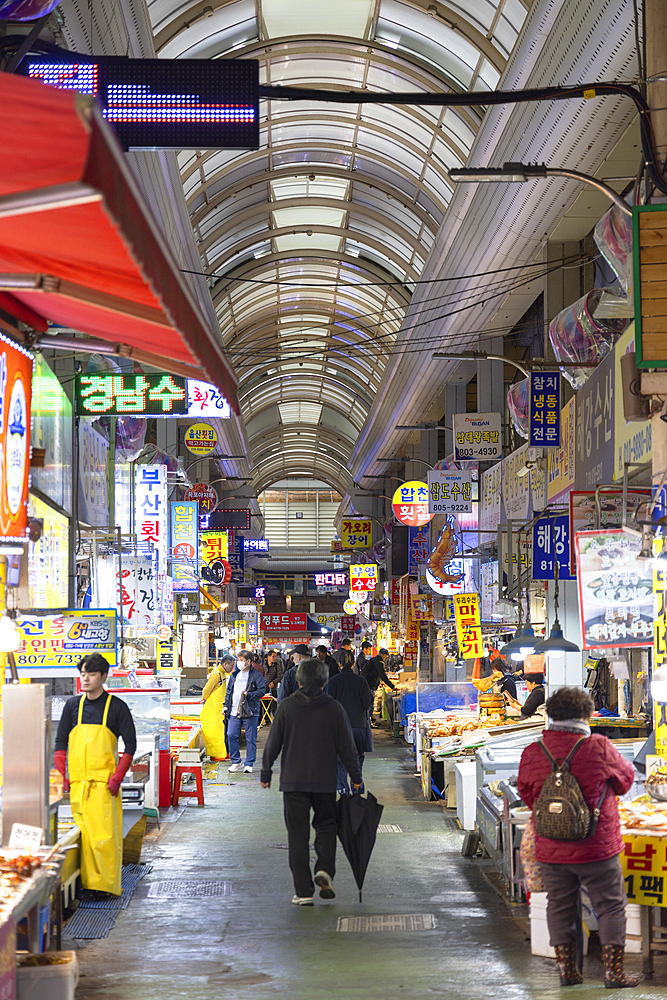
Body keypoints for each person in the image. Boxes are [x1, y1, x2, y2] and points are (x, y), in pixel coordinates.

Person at [518, 687, 637, 989]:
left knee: (559, 906)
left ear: (551, 715)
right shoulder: (598, 746)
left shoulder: (534, 751)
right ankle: (614, 973)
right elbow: (625, 781)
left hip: (551, 848)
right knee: (610, 906)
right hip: (597, 846)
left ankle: (567, 971)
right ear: (586, 715)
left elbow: (528, 795)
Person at [261, 658, 363, 905]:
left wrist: (266, 772)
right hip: (325, 781)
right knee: (327, 826)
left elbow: (273, 742)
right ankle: (325, 869)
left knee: (297, 835)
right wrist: (356, 777)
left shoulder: (286, 707)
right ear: (325, 682)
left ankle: (304, 892)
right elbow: (347, 747)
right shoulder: (334, 708)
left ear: (298, 681)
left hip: (293, 782)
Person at [53, 653, 137, 897]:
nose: (85, 678)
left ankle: (103, 887)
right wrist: (62, 775)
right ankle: (82, 885)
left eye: (90, 674)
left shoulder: (117, 707)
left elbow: (130, 746)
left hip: (103, 787)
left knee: (103, 839)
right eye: (82, 674)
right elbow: (60, 743)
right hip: (77, 786)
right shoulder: (73, 706)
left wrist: (117, 778)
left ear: (103, 676)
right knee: (80, 837)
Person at [325, 655, 373, 794]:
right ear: (353, 664)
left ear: (339, 664)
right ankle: (356, 788)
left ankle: (342, 789)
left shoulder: (333, 682)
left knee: (340, 760)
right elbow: (367, 704)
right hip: (358, 726)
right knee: (357, 758)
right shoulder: (361, 681)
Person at [224, 650, 266, 773]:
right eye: (238, 660)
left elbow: (262, 690)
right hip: (234, 711)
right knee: (231, 735)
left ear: (249, 661)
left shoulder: (256, 675)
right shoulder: (234, 675)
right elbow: (229, 693)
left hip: (250, 711)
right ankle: (236, 761)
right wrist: (225, 706)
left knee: (250, 738)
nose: (239, 663)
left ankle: (249, 763)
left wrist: (249, 694)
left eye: (242, 660)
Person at [201, 654, 235, 759]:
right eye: (231, 665)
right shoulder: (216, 674)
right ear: (225, 664)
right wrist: (204, 698)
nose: (232, 668)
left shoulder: (222, 673)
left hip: (220, 709)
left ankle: (223, 753)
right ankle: (217, 755)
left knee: (222, 733)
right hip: (214, 709)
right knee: (217, 733)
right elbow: (206, 691)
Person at [362, 647, 395, 726]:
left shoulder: (373, 660)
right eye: (386, 656)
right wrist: (392, 686)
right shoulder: (379, 663)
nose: (386, 658)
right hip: (371, 685)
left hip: (367, 684)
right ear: (384, 655)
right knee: (370, 704)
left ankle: (370, 720)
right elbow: (383, 676)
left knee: (369, 703)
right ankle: (369, 723)